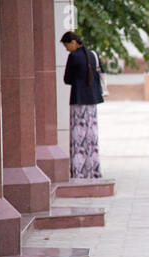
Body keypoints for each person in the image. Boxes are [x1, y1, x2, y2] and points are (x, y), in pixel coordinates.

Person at [61, 31, 103, 179]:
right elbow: (99, 75)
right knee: (91, 137)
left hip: (78, 100)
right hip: (92, 101)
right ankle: (93, 170)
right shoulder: (94, 55)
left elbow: (67, 79)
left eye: (67, 46)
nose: (67, 49)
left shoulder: (73, 57)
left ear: (73, 42)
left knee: (78, 138)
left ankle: (78, 172)